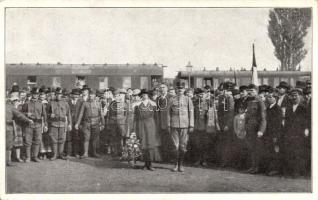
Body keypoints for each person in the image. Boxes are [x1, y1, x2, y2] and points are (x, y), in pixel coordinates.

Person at [167, 82, 194, 172]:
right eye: (178, 89)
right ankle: (176, 164)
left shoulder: (188, 99)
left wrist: (191, 124)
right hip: (174, 124)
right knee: (175, 146)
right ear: (176, 90)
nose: (180, 90)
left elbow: (191, 112)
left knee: (183, 146)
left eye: (182, 89)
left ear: (184, 90)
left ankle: (181, 164)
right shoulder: (171, 99)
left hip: (184, 125)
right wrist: (168, 124)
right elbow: (168, 113)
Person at [283, 88, 309, 177]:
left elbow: (307, 120)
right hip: (289, 133)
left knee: (298, 152)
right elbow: (286, 121)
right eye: (292, 96)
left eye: (296, 95)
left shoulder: (304, 108)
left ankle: (297, 171)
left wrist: (306, 130)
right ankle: (291, 170)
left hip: (300, 133)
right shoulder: (289, 108)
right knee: (291, 152)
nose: (294, 97)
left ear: (300, 96)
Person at [134, 89, 161, 170]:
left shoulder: (153, 104)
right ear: (141, 96)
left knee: (150, 144)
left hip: (151, 125)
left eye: (146, 94)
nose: (145, 96)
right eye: (143, 94)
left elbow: (156, 117)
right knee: (143, 144)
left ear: (148, 95)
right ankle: (145, 164)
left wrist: (157, 127)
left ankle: (150, 164)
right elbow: (136, 117)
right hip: (141, 125)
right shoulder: (137, 105)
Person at [6, 93, 34, 166]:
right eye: (14, 100)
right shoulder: (11, 107)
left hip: (13, 126)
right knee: (8, 144)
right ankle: (8, 161)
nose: (15, 101)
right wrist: (28, 120)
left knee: (11, 144)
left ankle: (12, 159)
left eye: (16, 100)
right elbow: (19, 115)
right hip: (9, 126)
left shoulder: (15, 106)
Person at [75, 89, 105, 158]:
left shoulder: (98, 103)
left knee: (94, 139)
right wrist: (77, 123)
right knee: (86, 138)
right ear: (88, 95)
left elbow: (101, 114)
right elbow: (81, 114)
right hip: (87, 123)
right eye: (90, 94)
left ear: (95, 96)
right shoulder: (85, 103)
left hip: (96, 123)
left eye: (92, 95)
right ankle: (85, 153)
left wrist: (103, 123)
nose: (91, 96)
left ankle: (94, 153)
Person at [21, 87, 48, 162]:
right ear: (31, 94)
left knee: (37, 140)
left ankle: (35, 156)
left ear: (38, 95)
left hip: (38, 124)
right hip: (29, 124)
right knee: (27, 141)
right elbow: (21, 114)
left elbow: (44, 115)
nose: (35, 95)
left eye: (36, 94)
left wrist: (45, 125)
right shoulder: (26, 104)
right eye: (34, 94)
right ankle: (28, 157)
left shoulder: (41, 104)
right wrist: (26, 114)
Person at [245, 84, 266, 174]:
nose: (250, 92)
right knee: (251, 148)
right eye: (249, 90)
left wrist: (261, 130)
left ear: (257, 91)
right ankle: (253, 166)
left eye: (252, 90)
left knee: (257, 149)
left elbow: (263, 118)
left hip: (256, 129)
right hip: (249, 128)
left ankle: (257, 167)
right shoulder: (249, 101)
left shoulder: (260, 102)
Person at [47, 87, 72, 160]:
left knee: (62, 139)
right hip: (54, 123)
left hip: (62, 124)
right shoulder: (50, 103)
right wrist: (49, 115)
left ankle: (61, 154)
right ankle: (54, 154)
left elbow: (68, 114)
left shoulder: (65, 103)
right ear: (55, 94)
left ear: (62, 95)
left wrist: (70, 124)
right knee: (54, 139)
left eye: (60, 94)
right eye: (57, 94)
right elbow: (46, 114)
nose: (58, 96)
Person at [263, 87, 283, 176]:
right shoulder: (268, 108)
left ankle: (275, 169)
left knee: (274, 152)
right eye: (268, 97)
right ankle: (269, 168)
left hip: (274, 134)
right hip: (267, 133)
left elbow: (278, 124)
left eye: (271, 97)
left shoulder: (277, 109)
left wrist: (276, 136)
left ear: (276, 98)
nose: (269, 98)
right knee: (268, 151)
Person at [216, 82, 235, 167]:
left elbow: (231, 113)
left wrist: (228, 124)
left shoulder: (230, 98)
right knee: (221, 143)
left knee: (226, 144)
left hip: (227, 124)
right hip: (220, 123)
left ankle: (226, 162)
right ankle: (221, 160)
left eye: (224, 90)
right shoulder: (220, 98)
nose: (223, 91)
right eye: (222, 90)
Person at [106, 89, 129, 157]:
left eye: (117, 96)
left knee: (121, 137)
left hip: (121, 123)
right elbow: (108, 114)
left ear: (119, 96)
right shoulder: (111, 104)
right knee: (113, 137)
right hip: (113, 123)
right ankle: (115, 152)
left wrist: (125, 123)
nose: (116, 97)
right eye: (115, 96)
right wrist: (108, 123)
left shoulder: (124, 104)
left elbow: (126, 115)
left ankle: (121, 152)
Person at [156, 83, 173, 162]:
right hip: (161, 122)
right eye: (161, 87)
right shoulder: (158, 98)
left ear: (167, 88)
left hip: (169, 122)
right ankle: (164, 157)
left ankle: (171, 158)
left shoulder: (171, 97)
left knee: (170, 140)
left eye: (164, 87)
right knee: (163, 140)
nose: (162, 89)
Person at [192, 88, 209, 166]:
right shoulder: (194, 103)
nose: (201, 96)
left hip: (206, 127)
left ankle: (204, 160)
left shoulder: (208, 103)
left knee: (205, 144)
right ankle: (198, 159)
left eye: (202, 94)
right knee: (197, 144)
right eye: (199, 95)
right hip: (196, 126)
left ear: (205, 95)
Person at [68, 88, 83, 158]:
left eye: (77, 95)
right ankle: (69, 152)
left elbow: (82, 113)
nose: (76, 96)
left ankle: (76, 152)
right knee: (69, 137)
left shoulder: (81, 102)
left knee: (77, 138)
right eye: (74, 95)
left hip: (77, 122)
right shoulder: (68, 102)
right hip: (69, 122)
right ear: (71, 95)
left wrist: (79, 123)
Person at [233, 104, 248, 169]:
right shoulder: (236, 117)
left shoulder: (246, 116)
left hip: (244, 134)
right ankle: (238, 164)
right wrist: (236, 132)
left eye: (242, 109)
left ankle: (244, 165)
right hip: (238, 134)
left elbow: (246, 125)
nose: (240, 110)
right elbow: (235, 126)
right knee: (238, 149)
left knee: (244, 149)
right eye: (239, 109)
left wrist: (244, 132)